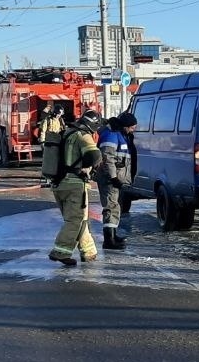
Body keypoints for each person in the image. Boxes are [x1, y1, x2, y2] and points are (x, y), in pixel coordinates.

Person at [48, 109, 104, 266]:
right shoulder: (83, 136)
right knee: (75, 220)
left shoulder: (66, 133)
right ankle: (60, 251)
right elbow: (95, 156)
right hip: (75, 184)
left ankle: (89, 252)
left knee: (80, 219)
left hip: (59, 184)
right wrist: (88, 167)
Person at [96, 111, 137, 250]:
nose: (133, 130)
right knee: (111, 207)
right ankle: (109, 240)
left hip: (115, 179)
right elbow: (108, 158)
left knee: (115, 206)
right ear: (125, 126)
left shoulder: (121, 135)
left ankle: (113, 235)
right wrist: (113, 178)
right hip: (109, 179)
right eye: (132, 127)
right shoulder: (111, 135)